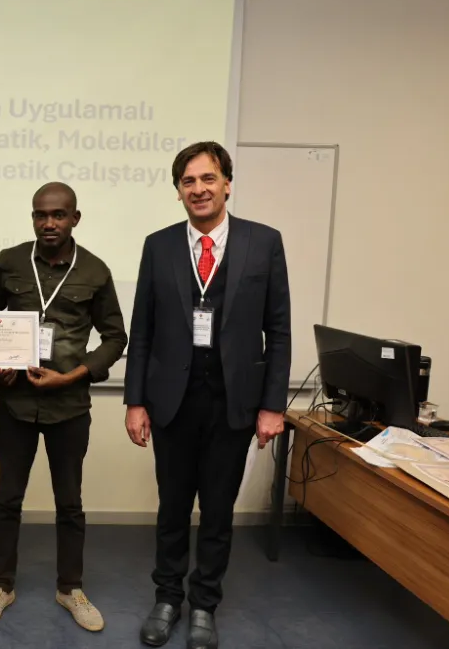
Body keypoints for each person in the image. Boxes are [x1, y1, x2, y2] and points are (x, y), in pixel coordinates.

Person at [123, 141, 291, 649]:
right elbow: (142, 330)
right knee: (172, 508)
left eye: (208, 178)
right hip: (171, 402)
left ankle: (204, 605)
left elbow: (278, 331)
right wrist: (135, 401)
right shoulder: (159, 246)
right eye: (188, 181)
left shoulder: (264, 242)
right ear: (178, 191)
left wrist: (272, 406)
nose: (199, 189)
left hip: (233, 404)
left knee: (217, 511)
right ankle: (167, 598)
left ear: (227, 184)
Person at [0, 182, 128, 632]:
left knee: (70, 503)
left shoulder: (95, 270)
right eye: (41, 215)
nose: (49, 223)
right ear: (33, 218)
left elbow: (115, 337)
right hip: (16, 405)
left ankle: (70, 588)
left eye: (58, 215)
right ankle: (1, 586)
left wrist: (74, 375)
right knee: (7, 498)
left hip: (69, 405)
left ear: (75, 218)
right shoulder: (11, 261)